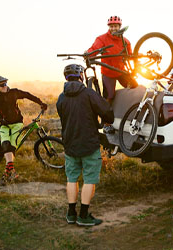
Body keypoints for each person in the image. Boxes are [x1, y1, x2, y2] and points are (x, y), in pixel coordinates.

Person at [56, 64, 114, 226]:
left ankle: (71, 213)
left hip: (70, 144)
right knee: (89, 180)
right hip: (89, 143)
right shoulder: (89, 93)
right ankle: (83, 215)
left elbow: (63, 118)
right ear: (81, 76)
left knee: (72, 178)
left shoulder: (61, 97)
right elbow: (106, 112)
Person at [0, 76, 47, 183]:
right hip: (4, 125)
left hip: (17, 123)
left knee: (12, 145)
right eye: (2, 85)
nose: (5, 86)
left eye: (6, 83)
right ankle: (11, 171)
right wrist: (1, 120)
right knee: (5, 144)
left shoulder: (14, 92)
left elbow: (27, 95)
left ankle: (8, 171)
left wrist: (40, 103)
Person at [87, 15, 138, 134]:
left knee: (136, 88)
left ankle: (134, 115)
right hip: (108, 72)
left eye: (116, 26)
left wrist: (136, 63)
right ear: (109, 27)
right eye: (111, 26)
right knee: (109, 97)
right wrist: (88, 54)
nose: (114, 28)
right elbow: (94, 49)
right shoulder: (102, 38)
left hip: (121, 71)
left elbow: (130, 56)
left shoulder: (125, 42)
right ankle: (106, 124)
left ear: (120, 27)